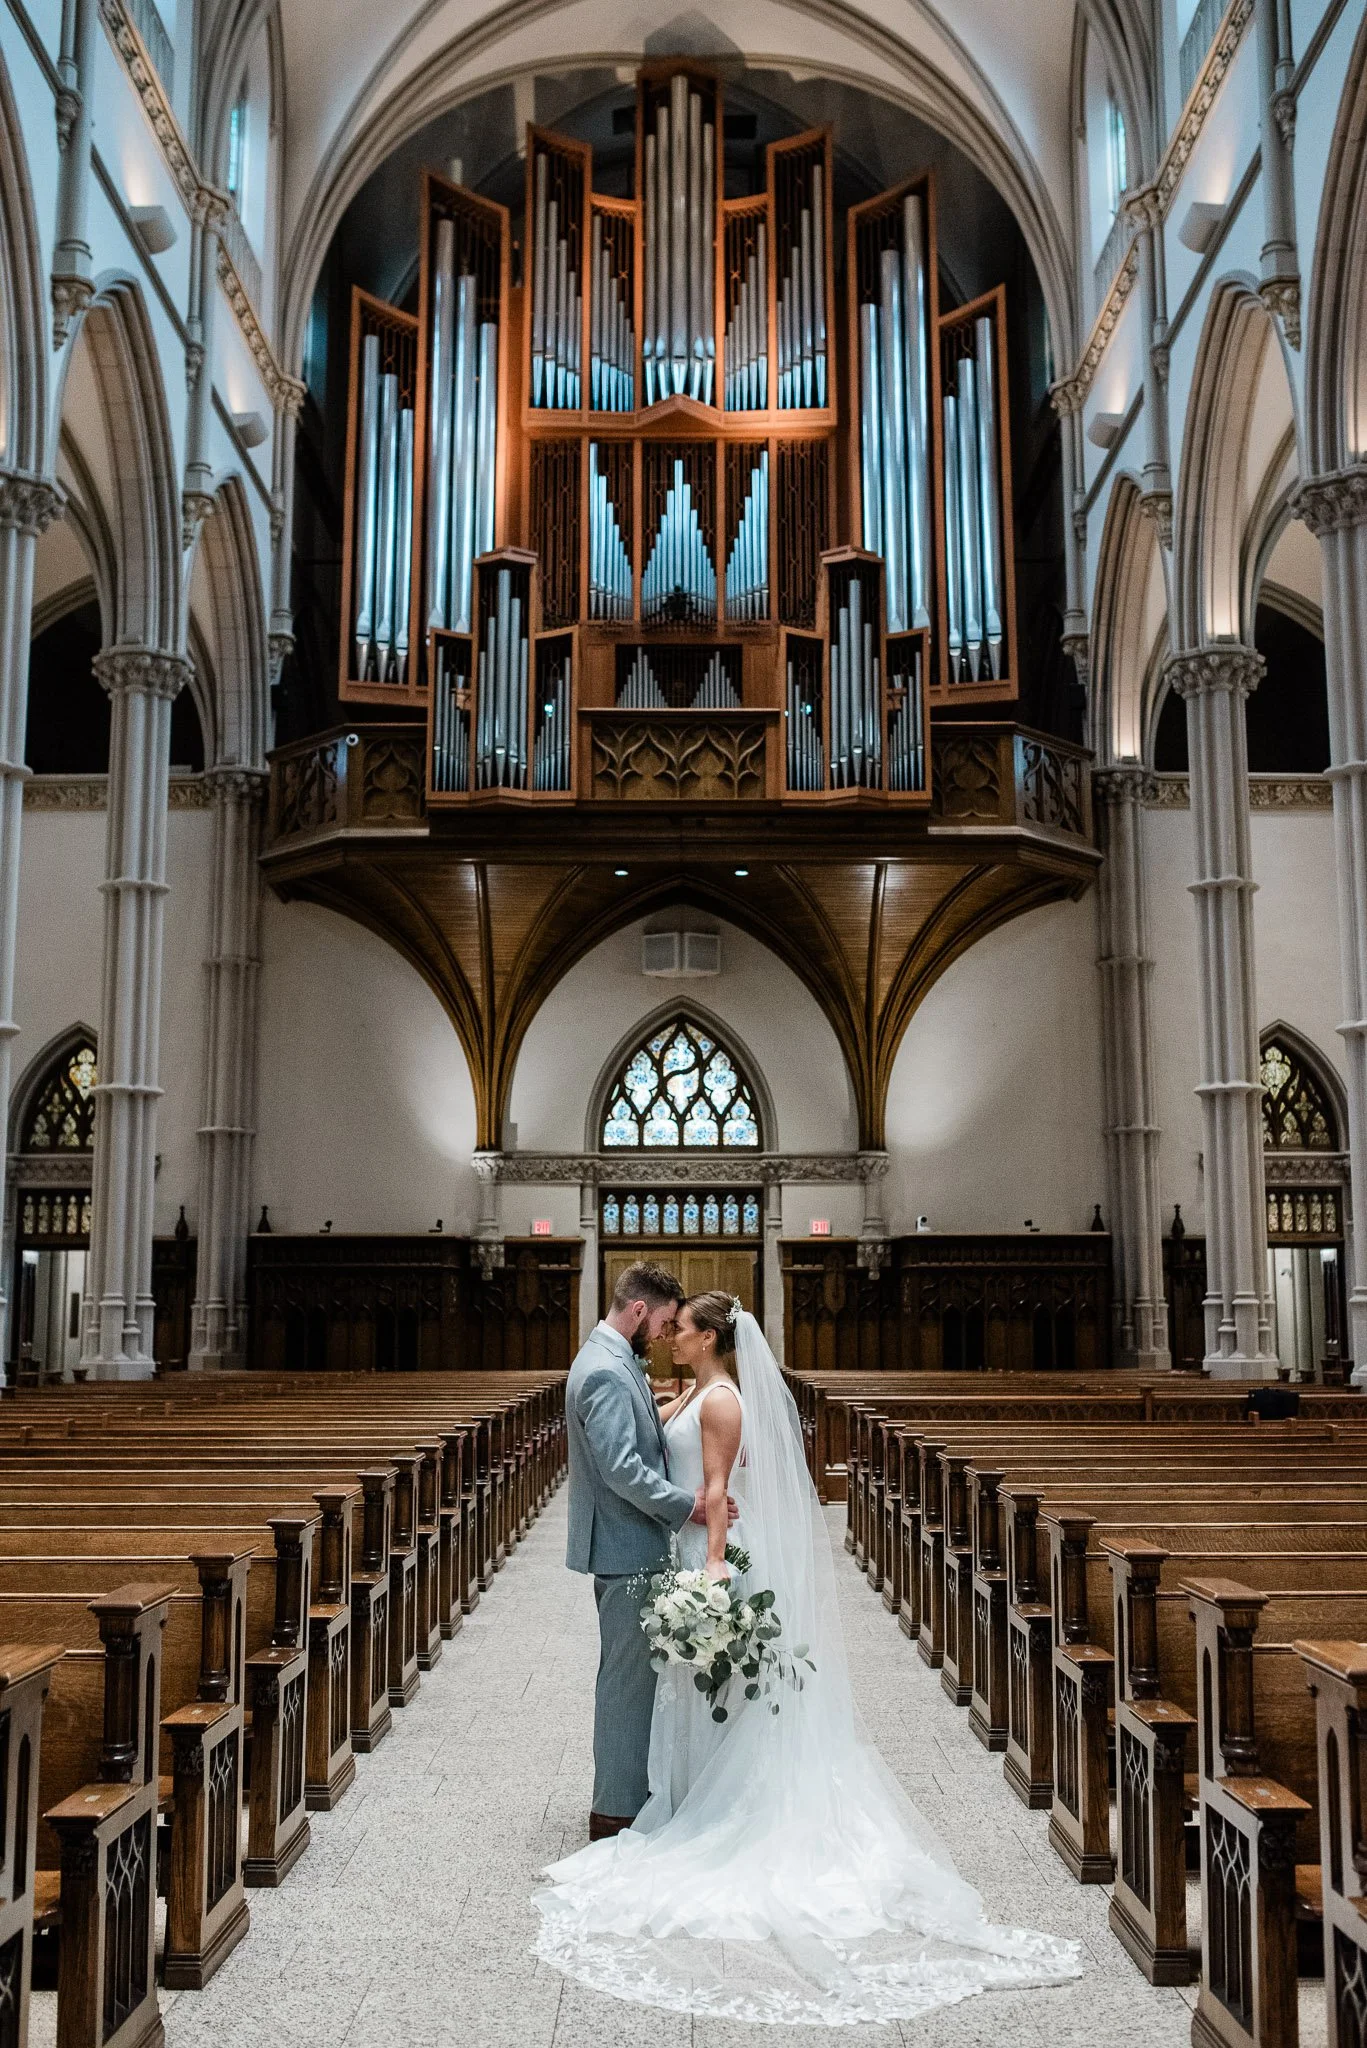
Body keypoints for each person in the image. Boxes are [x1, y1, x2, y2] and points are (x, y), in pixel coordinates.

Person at [536, 1292, 1085, 2026]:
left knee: (721, 1693)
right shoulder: (694, 1389)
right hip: (690, 1548)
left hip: (716, 1556)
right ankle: (693, 1795)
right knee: (700, 1695)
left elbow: (718, 1492)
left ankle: (720, 1807)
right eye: (667, 1326)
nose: (669, 1338)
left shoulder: (722, 1400)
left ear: (710, 1339)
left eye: (682, 1330)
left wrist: (714, 1572)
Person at [563, 1261, 737, 1840]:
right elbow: (621, 1468)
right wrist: (685, 1506)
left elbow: (637, 1438)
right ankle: (614, 1810)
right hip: (625, 1544)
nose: (664, 1333)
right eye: (663, 1320)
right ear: (639, 1310)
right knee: (625, 1682)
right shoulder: (607, 1371)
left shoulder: (609, 1358)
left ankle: (632, 1793)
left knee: (634, 1679)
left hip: (629, 1542)